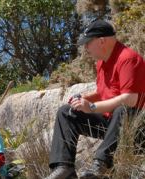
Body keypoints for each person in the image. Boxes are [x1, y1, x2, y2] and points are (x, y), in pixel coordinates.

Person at [45, 19, 145, 179]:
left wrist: (91, 107)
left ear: (102, 41)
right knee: (66, 112)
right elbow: (104, 92)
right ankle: (64, 168)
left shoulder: (128, 58)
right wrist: (83, 98)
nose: (85, 48)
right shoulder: (102, 64)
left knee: (123, 109)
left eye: (87, 43)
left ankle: (101, 166)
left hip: (136, 130)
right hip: (112, 126)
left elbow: (131, 99)